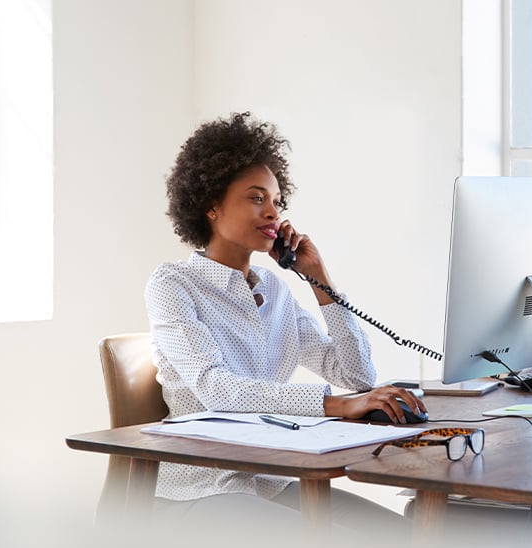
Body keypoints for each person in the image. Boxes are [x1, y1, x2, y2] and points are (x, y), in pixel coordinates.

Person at [143, 111, 425, 545]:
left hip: (268, 480)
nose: (273, 211)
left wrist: (320, 280)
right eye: (256, 198)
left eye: (276, 200)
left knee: (401, 534)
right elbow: (218, 390)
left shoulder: (274, 288)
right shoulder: (173, 284)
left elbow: (355, 376)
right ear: (212, 206)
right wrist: (336, 406)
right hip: (197, 491)